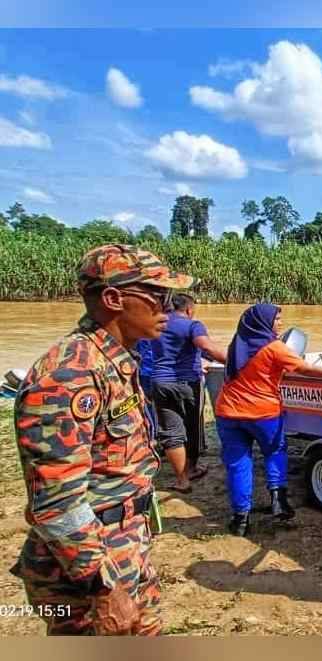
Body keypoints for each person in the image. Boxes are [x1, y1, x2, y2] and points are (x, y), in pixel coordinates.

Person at [12, 243, 195, 635]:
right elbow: (58, 504)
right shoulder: (69, 375)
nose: (169, 307)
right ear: (113, 298)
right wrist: (104, 590)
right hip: (86, 574)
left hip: (123, 545)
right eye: (158, 296)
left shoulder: (117, 360)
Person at [214, 303, 322, 537]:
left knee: (238, 464)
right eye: (276, 319)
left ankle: (241, 520)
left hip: (228, 412)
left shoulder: (237, 344)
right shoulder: (274, 348)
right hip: (263, 414)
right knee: (275, 452)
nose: (280, 323)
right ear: (264, 322)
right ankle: (279, 501)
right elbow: (306, 370)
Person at [149, 293, 227, 493]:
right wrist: (236, 362)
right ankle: (191, 468)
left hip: (159, 382)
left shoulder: (157, 322)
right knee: (192, 427)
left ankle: (182, 480)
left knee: (171, 431)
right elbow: (206, 346)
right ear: (189, 309)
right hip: (187, 384)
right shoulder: (193, 325)